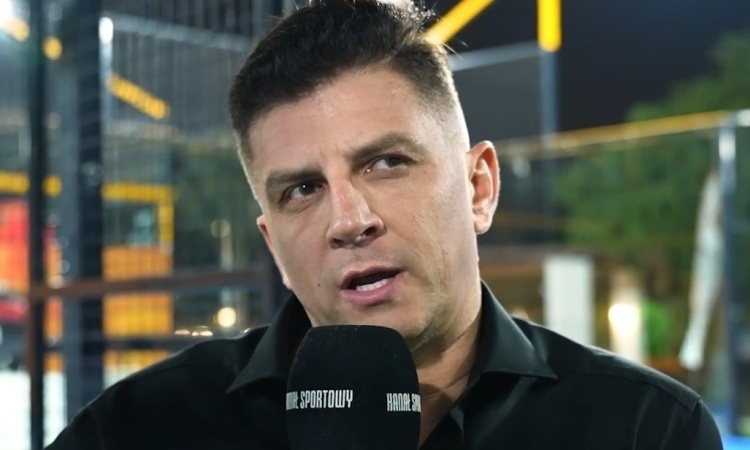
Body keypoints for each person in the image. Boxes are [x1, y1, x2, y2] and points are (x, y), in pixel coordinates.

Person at [48, 0, 724, 448]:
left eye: (386, 163)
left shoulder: (645, 429)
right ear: (273, 245)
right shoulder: (139, 429)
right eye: (303, 189)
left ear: (479, 187)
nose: (349, 220)